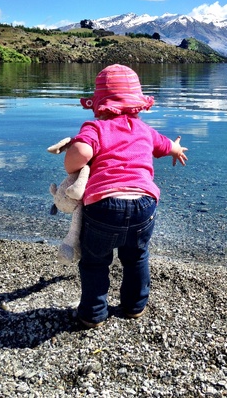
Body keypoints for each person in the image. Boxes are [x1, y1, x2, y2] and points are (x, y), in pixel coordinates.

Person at [64, 64, 188, 328]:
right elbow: (166, 145)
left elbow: (81, 153)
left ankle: (93, 313)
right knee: (136, 256)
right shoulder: (144, 130)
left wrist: (72, 161)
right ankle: (134, 306)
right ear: (137, 104)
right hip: (144, 203)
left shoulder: (96, 128)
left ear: (98, 103)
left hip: (104, 205)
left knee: (95, 261)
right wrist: (177, 149)